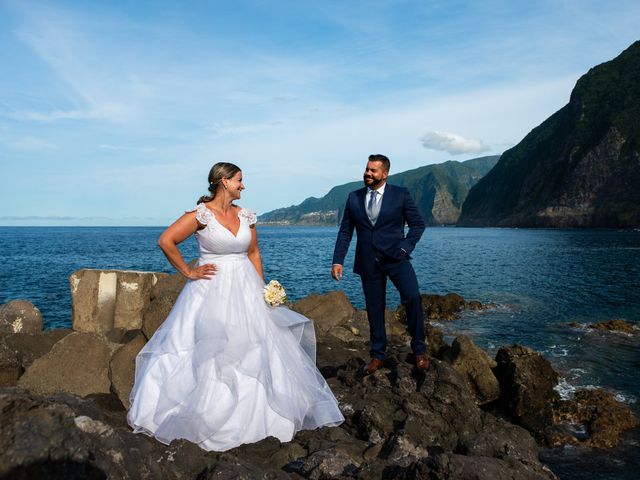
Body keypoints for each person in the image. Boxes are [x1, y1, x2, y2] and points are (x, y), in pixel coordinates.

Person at [128, 162, 344, 451]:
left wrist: (263, 289)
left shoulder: (246, 216)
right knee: (208, 349)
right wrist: (188, 272)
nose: (244, 185)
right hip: (209, 291)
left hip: (246, 289)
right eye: (240, 180)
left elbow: (253, 252)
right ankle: (205, 416)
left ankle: (263, 419)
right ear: (224, 181)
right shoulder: (200, 215)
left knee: (256, 346)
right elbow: (166, 241)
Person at [331, 154, 428, 375]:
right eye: (367, 169)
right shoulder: (354, 197)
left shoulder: (400, 195)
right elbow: (345, 231)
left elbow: (418, 225)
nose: (368, 173)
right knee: (375, 308)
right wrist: (338, 260)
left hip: (397, 258)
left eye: (373, 170)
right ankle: (377, 355)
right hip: (367, 261)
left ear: (385, 174)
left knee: (412, 297)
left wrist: (405, 248)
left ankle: (420, 350)